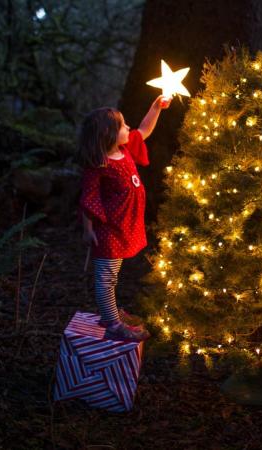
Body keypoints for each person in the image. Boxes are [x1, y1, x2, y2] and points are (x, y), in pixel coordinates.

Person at [77, 95, 171, 342]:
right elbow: (88, 199)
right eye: (122, 126)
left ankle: (110, 312)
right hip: (109, 230)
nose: (128, 128)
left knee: (113, 276)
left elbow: (144, 129)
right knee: (106, 278)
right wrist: (88, 230)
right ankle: (111, 323)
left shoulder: (125, 149)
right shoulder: (99, 165)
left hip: (126, 225)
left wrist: (156, 107)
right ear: (107, 134)